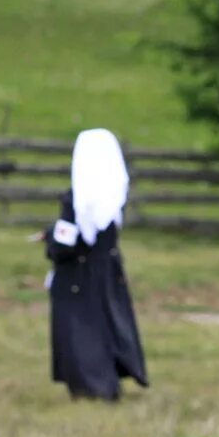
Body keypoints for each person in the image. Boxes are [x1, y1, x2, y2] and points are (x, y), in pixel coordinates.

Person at [45, 129, 148, 401]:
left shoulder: (77, 199)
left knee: (82, 329)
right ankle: (110, 380)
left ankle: (92, 385)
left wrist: (50, 240)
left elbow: (67, 242)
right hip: (109, 269)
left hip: (79, 274)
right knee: (107, 323)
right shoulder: (115, 196)